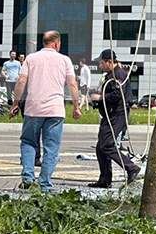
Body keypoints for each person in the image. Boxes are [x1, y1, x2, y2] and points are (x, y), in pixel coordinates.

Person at [10, 31, 82, 192]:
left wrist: (16, 103)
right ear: (56, 44)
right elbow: (72, 84)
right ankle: (45, 184)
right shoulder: (65, 60)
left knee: (29, 142)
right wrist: (76, 106)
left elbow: (21, 80)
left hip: (33, 108)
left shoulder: (31, 58)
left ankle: (28, 178)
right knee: (51, 147)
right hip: (55, 110)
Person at [88, 49, 140, 188]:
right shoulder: (111, 74)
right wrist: (97, 101)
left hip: (117, 115)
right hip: (109, 115)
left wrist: (100, 98)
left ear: (109, 62)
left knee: (107, 145)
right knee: (100, 148)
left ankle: (131, 168)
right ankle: (105, 179)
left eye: (101, 63)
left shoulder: (119, 75)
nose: (100, 66)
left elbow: (118, 95)